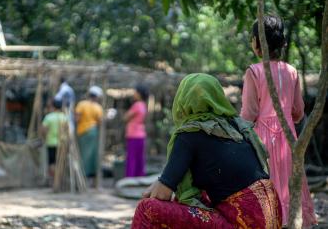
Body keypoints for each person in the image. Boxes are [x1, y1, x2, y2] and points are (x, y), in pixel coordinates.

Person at [131, 73, 282, 229]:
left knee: (147, 208)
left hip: (243, 223)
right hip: (272, 218)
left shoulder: (189, 133)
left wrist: (155, 189)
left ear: (182, 100)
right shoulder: (237, 127)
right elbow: (170, 179)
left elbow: (162, 194)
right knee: (195, 197)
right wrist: (162, 182)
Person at [240, 15, 316, 227]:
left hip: (261, 141)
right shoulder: (291, 72)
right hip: (290, 140)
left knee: (265, 193)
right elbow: (298, 112)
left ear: (258, 41)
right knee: (289, 188)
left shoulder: (254, 71)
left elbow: (248, 114)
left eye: (252, 38)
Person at [75, 86, 103, 179]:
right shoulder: (98, 107)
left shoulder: (81, 104)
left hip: (82, 131)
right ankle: (90, 174)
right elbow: (99, 121)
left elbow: (77, 118)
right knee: (91, 154)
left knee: (83, 153)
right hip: (93, 131)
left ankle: (83, 174)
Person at [124, 85, 148, 177]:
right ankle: (139, 178)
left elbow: (125, 117)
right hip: (141, 135)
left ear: (139, 94)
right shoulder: (143, 105)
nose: (134, 94)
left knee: (131, 159)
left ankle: (129, 179)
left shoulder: (136, 105)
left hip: (133, 135)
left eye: (136, 92)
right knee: (139, 159)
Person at [41, 99, 67, 181]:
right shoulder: (65, 117)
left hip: (51, 143)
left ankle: (56, 179)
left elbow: (43, 129)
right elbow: (68, 130)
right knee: (60, 162)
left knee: (52, 163)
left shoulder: (49, 117)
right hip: (62, 143)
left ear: (53, 106)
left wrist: (45, 137)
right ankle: (59, 179)